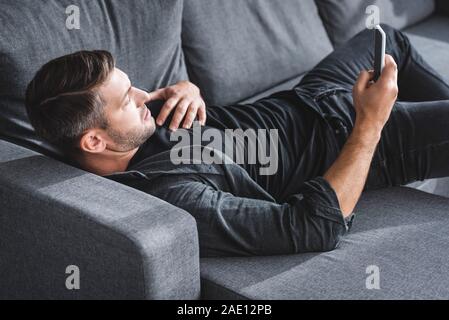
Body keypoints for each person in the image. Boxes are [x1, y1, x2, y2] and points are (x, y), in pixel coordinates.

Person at [25, 25, 449, 257]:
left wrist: (187, 88)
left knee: (389, 38)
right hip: (352, 138)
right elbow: (312, 227)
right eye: (126, 98)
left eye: (133, 85)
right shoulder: (173, 194)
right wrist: (371, 123)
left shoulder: (130, 126)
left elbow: (165, 100)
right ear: (94, 141)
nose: (142, 97)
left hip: (308, 95)